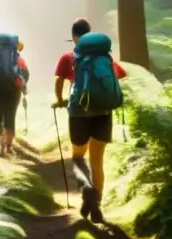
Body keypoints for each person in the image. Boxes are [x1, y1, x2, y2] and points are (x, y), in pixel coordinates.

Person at [52, 18, 127, 222]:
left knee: (78, 156)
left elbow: (59, 82)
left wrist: (60, 101)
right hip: (103, 112)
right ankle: (97, 203)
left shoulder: (68, 57)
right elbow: (120, 75)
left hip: (79, 114)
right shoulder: (105, 57)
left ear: (74, 36)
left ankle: (88, 195)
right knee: (97, 160)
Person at [0, 34, 29, 157]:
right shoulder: (20, 61)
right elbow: (26, 75)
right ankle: (9, 147)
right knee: (10, 118)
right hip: (14, 92)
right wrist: (23, 85)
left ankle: (1, 148)